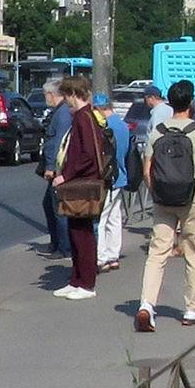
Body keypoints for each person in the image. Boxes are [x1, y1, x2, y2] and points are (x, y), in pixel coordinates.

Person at [137, 78, 195, 331]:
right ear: (191, 102)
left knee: (157, 253)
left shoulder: (158, 131)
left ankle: (146, 305)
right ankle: (192, 309)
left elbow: (147, 170)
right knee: (193, 253)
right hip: (191, 197)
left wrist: (155, 191)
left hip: (163, 198)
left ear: (170, 102)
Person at [49, 80, 111, 300]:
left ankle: (86, 283)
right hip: (82, 181)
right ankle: (76, 280)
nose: (65, 102)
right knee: (76, 230)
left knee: (83, 234)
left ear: (74, 94)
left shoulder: (84, 118)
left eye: (66, 96)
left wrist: (66, 175)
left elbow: (86, 155)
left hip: (82, 182)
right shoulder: (87, 116)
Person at [96, 89, 136, 271]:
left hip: (107, 178)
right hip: (121, 176)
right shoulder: (122, 126)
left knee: (102, 219)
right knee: (114, 218)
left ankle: (101, 257)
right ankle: (113, 255)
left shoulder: (104, 127)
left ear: (98, 109)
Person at [36, 82, 74, 257]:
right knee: (49, 205)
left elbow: (59, 143)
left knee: (58, 209)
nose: (45, 98)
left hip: (59, 169)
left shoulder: (63, 114)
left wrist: (52, 168)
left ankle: (63, 247)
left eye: (46, 95)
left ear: (52, 94)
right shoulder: (60, 112)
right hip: (57, 168)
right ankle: (57, 243)